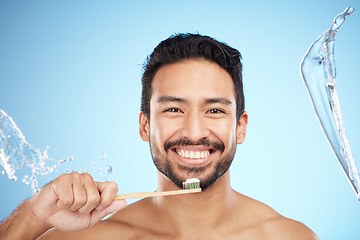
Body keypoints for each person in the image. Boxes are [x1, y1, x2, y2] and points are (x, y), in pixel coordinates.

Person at [0, 33, 319, 240]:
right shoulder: (83, 237)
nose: (195, 133)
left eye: (215, 111)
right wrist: (32, 216)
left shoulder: (290, 237)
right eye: (174, 110)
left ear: (241, 127)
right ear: (144, 126)